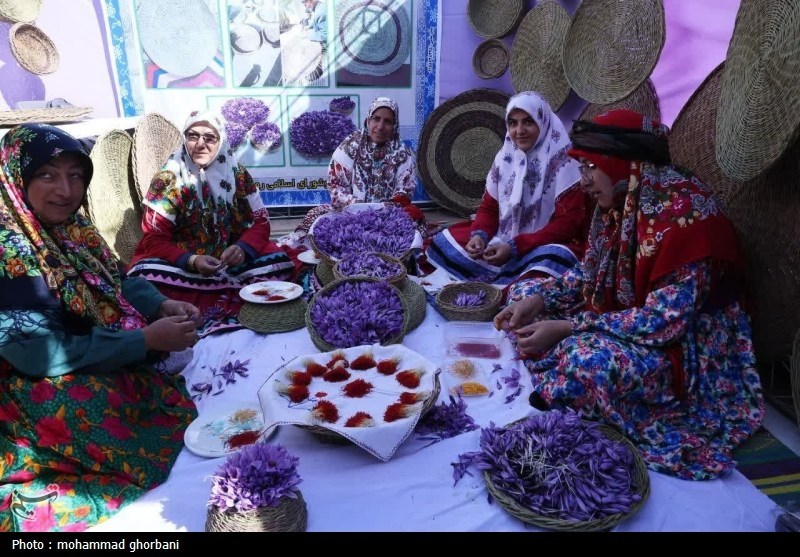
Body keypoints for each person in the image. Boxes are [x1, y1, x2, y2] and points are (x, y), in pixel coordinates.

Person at [494, 109, 764, 481]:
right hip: (625, 314)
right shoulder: (623, 199)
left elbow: (663, 323)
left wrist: (570, 327)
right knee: (524, 290)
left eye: (590, 167)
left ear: (621, 163)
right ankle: (560, 358)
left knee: (588, 362)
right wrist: (539, 302)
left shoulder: (688, 221)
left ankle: (566, 371)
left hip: (685, 350)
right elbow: (589, 272)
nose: (584, 180)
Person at [0, 124, 199, 532]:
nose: (66, 190)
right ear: (17, 177)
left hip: (82, 341)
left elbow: (118, 278)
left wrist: (160, 304)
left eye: (75, 174)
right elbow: (33, 353)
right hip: (24, 373)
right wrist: (142, 340)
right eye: (47, 175)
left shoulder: (75, 227)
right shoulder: (8, 245)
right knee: (82, 403)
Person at [127, 110, 299, 334]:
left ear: (221, 141)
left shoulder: (236, 174)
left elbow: (260, 223)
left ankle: (211, 295)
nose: (200, 144)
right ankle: (234, 296)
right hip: (184, 263)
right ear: (184, 139)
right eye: (193, 136)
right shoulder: (168, 179)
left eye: (209, 137)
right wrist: (191, 260)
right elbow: (154, 238)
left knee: (280, 262)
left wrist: (242, 248)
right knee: (144, 275)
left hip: (231, 261)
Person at [424, 91, 592, 286]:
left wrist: (516, 247)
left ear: (543, 122)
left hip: (541, 246)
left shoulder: (564, 162)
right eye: (513, 123)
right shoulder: (505, 158)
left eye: (528, 122)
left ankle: (512, 284)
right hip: (503, 242)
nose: (519, 131)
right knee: (444, 241)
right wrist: (479, 235)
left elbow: (568, 225)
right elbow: (489, 208)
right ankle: (506, 280)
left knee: (554, 260)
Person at [278, 96, 425, 249]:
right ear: (368, 120)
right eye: (376, 119)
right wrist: (359, 207)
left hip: (386, 218)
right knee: (316, 216)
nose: (380, 126)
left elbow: (403, 195)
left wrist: (377, 212)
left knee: (415, 222)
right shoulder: (351, 145)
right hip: (348, 213)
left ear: (395, 125)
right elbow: (336, 188)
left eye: (387, 121)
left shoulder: (403, 154)